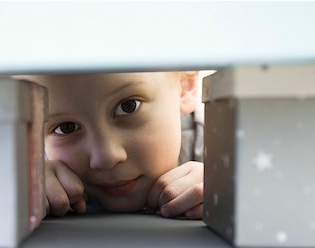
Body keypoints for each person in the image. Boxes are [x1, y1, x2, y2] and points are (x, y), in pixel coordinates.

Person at [18, 71, 204, 219]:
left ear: (185, 86)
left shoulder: (221, 148)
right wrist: (23, 194)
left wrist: (226, 191)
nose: (106, 157)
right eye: (66, 128)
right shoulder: (31, 168)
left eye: (129, 106)